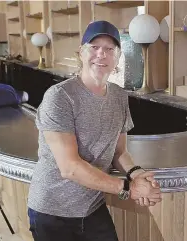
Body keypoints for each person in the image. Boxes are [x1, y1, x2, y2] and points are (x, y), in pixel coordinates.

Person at [27, 20, 162, 241]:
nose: (102, 54)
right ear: (81, 53)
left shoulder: (119, 96)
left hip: (92, 207)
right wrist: (130, 188)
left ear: (117, 58)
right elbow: (69, 167)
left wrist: (137, 174)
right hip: (52, 211)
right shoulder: (60, 96)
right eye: (94, 47)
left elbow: (119, 152)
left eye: (109, 49)